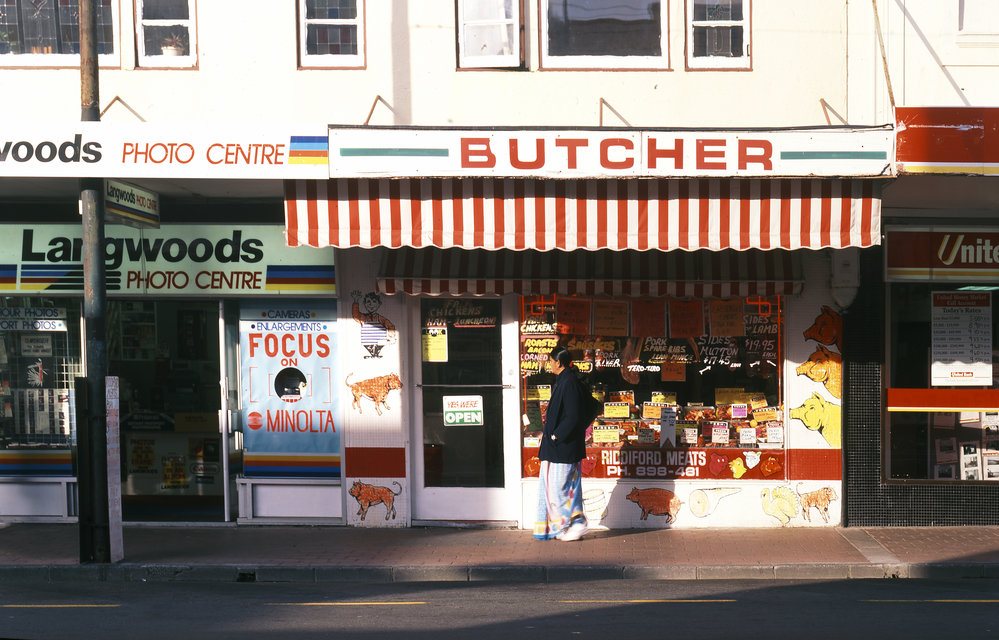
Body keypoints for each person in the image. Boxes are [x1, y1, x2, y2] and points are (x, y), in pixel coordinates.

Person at [534, 346, 590, 542]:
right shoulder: (564, 380)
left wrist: (556, 435)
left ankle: (572, 525)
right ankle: (567, 527)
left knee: (561, 487)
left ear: (558, 362)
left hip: (563, 447)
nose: (549, 364)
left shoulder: (569, 382)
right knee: (559, 487)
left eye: (550, 360)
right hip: (558, 447)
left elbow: (573, 415)